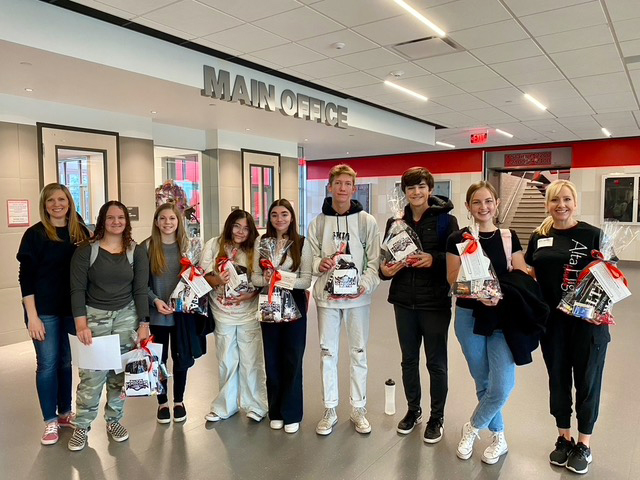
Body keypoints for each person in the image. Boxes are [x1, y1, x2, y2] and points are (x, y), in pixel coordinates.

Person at [446, 181, 534, 464]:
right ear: (468, 207)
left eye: (488, 201)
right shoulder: (458, 238)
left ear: (496, 204)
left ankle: (472, 428)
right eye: (477, 202)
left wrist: (501, 289)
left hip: (503, 317)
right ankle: (499, 436)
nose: (483, 207)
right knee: (482, 379)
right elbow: (452, 280)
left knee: (502, 386)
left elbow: (521, 275)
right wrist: (478, 292)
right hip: (470, 316)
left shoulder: (509, 237)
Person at [525, 180, 606, 475]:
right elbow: (531, 273)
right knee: (557, 380)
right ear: (547, 204)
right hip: (553, 325)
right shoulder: (539, 236)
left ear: (576, 202)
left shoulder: (593, 235)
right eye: (555, 200)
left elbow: (611, 277)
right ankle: (563, 437)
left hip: (587, 325)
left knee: (587, 382)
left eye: (567, 199)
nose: (561, 205)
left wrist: (602, 310)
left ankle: (584, 443)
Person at [379, 167, 458, 443]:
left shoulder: (447, 222)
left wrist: (433, 260)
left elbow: (455, 260)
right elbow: (385, 258)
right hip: (403, 301)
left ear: (430, 189)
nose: (416, 192)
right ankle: (413, 410)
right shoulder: (395, 222)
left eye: (421, 186)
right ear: (404, 192)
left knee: (436, 363)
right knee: (408, 361)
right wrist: (384, 270)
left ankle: (437, 417)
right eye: (411, 188)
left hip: (434, 302)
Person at [68, 201, 150, 451]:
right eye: (111, 217)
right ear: (102, 220)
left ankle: (114, 420)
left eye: (121, 218)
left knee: (119, 375)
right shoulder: (86, 251)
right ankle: (81, 426)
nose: (116, 222)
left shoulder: (135, 251)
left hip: (127, 317)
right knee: (91, 377)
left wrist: (144, 323)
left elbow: (140, 290)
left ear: (127, 221)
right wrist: (81, 324)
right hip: (94, 317)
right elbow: (77, 290)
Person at [307, 164, 380, 436]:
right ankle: (330, 408)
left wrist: (363, 285)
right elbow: (310, 259)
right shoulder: (318, 223)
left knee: (358, 352)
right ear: (330, 186)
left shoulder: (366, 221)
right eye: (338, 183)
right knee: (328, 353)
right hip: (327, 299)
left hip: (357, 300)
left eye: (348, 183)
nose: (342, 188)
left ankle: (358, 407)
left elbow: (375, 261)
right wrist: (320, 264)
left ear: (354, 187)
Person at [17, 183, 89, 445]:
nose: (57, 204)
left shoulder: (79, 232)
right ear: (44, 205)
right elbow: (25, 279)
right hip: (43, 311)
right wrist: (32, 316)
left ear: (69, 202)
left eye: (62, 199)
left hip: (71, 310)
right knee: (47, 364)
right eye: (51, 201)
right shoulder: (34, 235)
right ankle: (49, 421)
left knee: (65, 362)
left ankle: (65, 412)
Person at [201, 210, 267, 423]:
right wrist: (218, 280)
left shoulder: (255, 248)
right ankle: (225, 406)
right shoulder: (213, 245)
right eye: (237, 226)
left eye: (246, 228)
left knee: (251, 360)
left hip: (248, 313)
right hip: (222, 312)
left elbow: (264, 279)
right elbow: (202, 276)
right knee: (226, 360)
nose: (241, 231)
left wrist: (251, 295)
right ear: (229, 225)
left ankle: (256, 404)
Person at [252, 199, 312, 434]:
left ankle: (292, 412)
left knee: (293, 358)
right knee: (272, 357)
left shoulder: (301, 243)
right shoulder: (262, 242)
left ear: (292, 217)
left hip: (294, 303)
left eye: (284, 214)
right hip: (269, 302)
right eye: (275, 214)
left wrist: (281, 278)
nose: (279, 219)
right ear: (269, 218)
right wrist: (267, 280)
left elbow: (306, 279)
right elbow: (254, 278)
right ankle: (275, 411)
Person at [146, 203, 208, 424]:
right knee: (159, 360)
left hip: (183, 316)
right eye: (162, 218)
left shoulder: (189, 248)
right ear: (156, 222)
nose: (167, 223)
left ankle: (179, 400)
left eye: (172, 218)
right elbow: (140, 284)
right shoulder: (147, 247)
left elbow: (199, 279)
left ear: (178, 221)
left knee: (181, 358)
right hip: (158, 316)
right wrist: (155, 301)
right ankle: (162, 402)